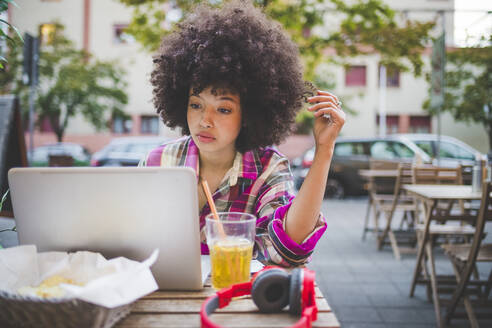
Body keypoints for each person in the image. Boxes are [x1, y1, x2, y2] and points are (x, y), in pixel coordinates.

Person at [141, 0, 345, 267]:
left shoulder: (268, 168)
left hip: (241, 301)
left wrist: (324, 149)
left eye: (223, 109)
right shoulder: (158, 162)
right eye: (196, 105)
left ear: (248, 113)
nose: (205, 120)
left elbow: (288, 248)